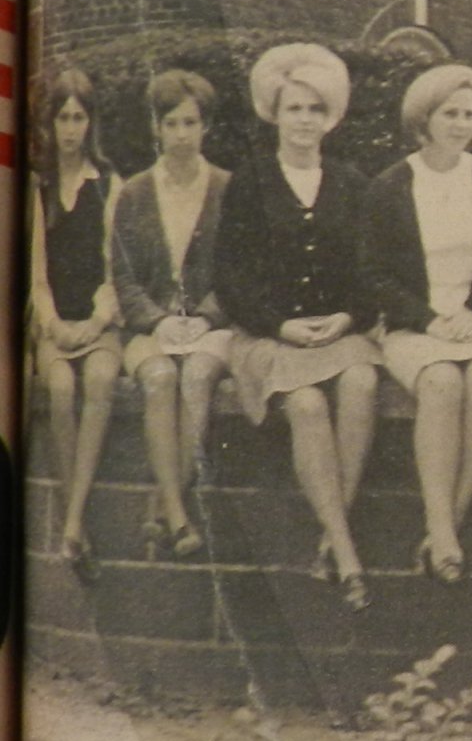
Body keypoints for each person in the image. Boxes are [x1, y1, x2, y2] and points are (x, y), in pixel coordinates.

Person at [217, 44, 383, 611]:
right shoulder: (251, 181)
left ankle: (329, 540)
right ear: (276, 114)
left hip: (338, 332)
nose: (305, 120)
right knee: (308, 407)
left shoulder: (352, 182)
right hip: (269, 336)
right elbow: (229, 277)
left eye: (315, 109)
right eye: (294, 109)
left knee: (362, 382)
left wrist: (348, 317)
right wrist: (280, 325)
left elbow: (370, 271)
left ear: (330, 116)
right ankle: (348, 554)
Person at [362, 65, 472, 586]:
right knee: (442, 382)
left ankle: (448, 523)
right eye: (449, 113)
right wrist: (428, 321)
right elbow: (375, 276)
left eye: (469, 114)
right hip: (415, 327)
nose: (460, 123)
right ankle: (440, 524)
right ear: (423, 118)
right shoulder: (389, 186)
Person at [110, 70, 235, 563]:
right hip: (151, 327)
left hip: (210, 328)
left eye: (192, 122)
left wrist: (206, 317)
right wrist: (157, 320)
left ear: (206, 128)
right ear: (156, 128)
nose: (182, 134)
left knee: (199, 374)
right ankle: (180, 517)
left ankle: (161, 507)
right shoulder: (134, 193)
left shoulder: (228, 188)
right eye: (172, 123)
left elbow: (237, 271)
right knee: (160, 378)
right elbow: (123, 276)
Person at [29, 68, 124, 583]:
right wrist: (55, 327)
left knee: (103, 378)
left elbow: (114, 272)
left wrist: (96, 323)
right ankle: (76, 522)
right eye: (62, 118)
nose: (70, 129)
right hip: (55, 322)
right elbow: (37, 277)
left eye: (79, 118)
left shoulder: (109, 184)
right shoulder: (36, 187)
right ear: (49, 124)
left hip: (97, 319)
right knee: (61, 386)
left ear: (91, 122)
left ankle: (69, 521)